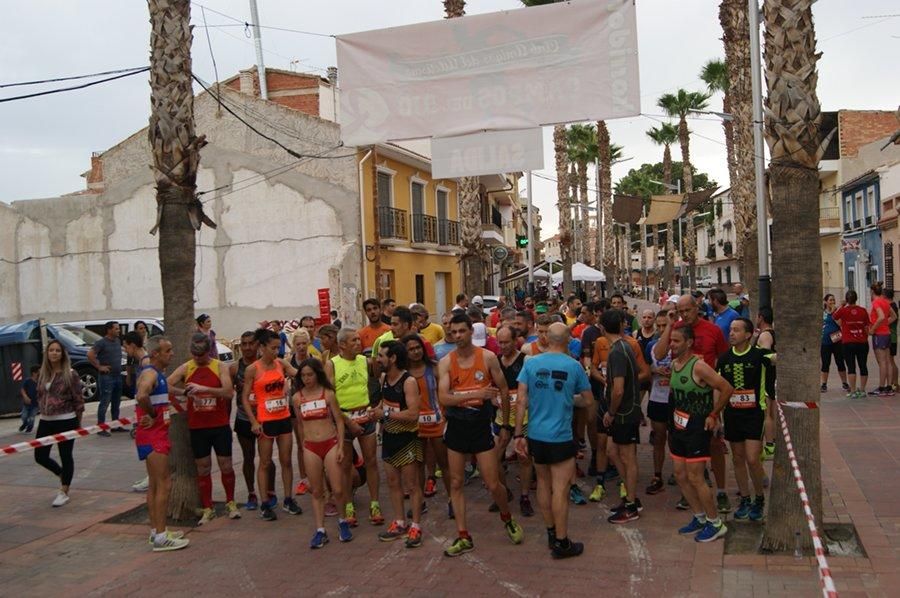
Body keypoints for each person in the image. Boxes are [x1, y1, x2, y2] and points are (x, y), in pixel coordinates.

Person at [438, 313, 524, 557]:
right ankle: (463, 535)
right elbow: (443, 398)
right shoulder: (446, 362)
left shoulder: (486, 358)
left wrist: (506, 426)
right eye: (453, 332)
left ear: (470, 332)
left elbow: (505, 390)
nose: (457, 336)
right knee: (455, 482)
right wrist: (473, 394)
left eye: (461, 331)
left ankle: (507, 518)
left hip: (480, 426)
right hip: (456, 426)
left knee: (492, 482)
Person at [515, 322, 593, 558]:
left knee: (543, 483)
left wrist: (519, 434)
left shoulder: (531, 363)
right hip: (560, 435)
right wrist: (569, 399)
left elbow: (520, 400)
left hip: (536, 434)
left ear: (547, 339)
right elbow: (588, 400)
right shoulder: (574, 366)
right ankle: (562, 542)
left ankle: (550, 531)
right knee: (560, 489)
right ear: (568, 340)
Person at [653, 295, 731, 513]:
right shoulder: (676, 329)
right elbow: (659, 355)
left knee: (715, 443)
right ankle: (692, 493)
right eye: (680, 310)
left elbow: (723, 359)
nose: (684, 314)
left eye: (688, 310)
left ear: (697, 308)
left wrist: (718, 403)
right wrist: (669, 325)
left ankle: (721, 491)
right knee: (683, 447)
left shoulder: (712, 330)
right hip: (681, 398)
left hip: (707, 394)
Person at [668, 325, 734, 543]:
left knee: (696, 476)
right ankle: (699, 516)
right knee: (679, 473)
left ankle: (716, 523)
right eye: (671, 340)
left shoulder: (699, 367)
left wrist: (714, 415)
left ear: (688, 343)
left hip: (697, 426)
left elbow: (726, 388)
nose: (672, 344)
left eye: (676, 341)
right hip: (678, 424)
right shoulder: (674, 364)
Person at [167, 333, 240, 524]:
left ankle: (230, 502)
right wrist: (183, 392)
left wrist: (203, 389)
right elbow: (165, 385)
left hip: (219, 425)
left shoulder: (219, 367)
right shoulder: (187, 367)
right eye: (194, 354)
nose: (197, 358)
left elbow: (228, 392)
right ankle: (208, 508)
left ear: (208, 351)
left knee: (225, 465)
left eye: (201, 354)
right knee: (203, 468)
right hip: (198, 426)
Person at [134, 336, 189, 551]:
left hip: (155, 435)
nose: (172, 354)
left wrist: (183, 391)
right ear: (156, 353)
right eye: (168, 351)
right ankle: (160, 537)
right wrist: (153, 414)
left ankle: (157, 530)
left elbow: (161, 391)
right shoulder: (150, 373)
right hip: (153, 437)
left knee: (155, 485)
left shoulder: (158, 374)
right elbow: (141, 395)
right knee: (164, 484)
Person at [240, 328, 302, 521]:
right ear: (262, 347)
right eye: (273, 348)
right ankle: (265, 502)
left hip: (283, 417)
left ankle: (288, 499)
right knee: (265, 462)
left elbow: (299, 374)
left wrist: (308, 372)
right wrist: (253, 422)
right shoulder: (253, 369)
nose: (277, 351)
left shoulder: (281, 363)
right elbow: (244, 398)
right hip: (265, 420)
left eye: (279, 348)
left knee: (286, 461)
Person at [718, 318, 775, 522]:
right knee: (737, 458)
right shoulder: (723, 359)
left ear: (749, 334)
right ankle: (745, 498)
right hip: (732, 415)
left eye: (736, 330)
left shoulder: (760, 355)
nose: (731, 333)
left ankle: (759, 498)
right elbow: (718, 387)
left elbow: (779, 359)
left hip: (754, 414)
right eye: (730, 330)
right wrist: (716, 414)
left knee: (753, 458)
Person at [325, 327, 383, 527]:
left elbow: (378, 373)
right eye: (353, 341)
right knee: (346, 465)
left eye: (359, 340)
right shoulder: (332, 364)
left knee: (371, 461)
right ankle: (349, 506)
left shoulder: (364, 361)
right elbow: (329, 398)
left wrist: (376, 355)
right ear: (342, 345)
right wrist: (347, 421)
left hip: (365, 415)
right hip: (344, 418)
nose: (358, 343)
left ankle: (375, 504)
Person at [291, 358, 352, 548]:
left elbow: (339, 421)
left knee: (338, 489)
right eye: (303, 375)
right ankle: (320, 530)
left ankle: (343, 521)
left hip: (331, 443)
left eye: (310, 374)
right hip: (311, 447)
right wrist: (302, 445)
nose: (307, 378)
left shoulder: (328, 394)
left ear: (318, 374)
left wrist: (341, 446)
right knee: (317, 491)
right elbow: (300, 425)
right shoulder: (296, 398)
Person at [375, 341, 425, 548]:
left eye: (381, 355)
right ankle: (399, 522)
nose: (378, 359)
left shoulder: (408, 381)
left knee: (412, 485)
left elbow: (413, 413)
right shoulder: (384, 378)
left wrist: (385, 414)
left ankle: (416, 525)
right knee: (393, 483)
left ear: (393, 358)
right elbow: (383, 403)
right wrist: (375, 412)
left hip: (407, 439)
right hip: (389, 437)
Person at [600, 310, 644, 523]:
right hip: (625, 411)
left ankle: (631, 504)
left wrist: (611, 412)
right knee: (612, 451)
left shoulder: (618, 350)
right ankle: (630, 496)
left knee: (627, 457)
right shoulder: (624, 347)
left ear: (602, 327)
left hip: (625, 412)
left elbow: (618, 389)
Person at [403, 334, 452, 517]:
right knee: (418, 465)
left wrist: (445, 416)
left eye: (418, 348)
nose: (415, 352)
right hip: (414, 425)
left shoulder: (434, 368)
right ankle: (419, 502)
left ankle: (452, 500)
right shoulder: (403, 373)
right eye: (411, 349)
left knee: (444, 463)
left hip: (437, 423)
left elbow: (445, 393)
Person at [33, 341, 84, 507]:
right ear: (47, 353)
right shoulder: (43, 373)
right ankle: (63, 474)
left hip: (66, 419)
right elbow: (40, 395)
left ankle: (64, 491)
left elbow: (78, 399)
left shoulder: (70, 374)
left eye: (57, 351)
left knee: (65, 454)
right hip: (46, 420)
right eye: (51, 350)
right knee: (40, 455)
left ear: (62, 354)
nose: (54, 353)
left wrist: (78, 422)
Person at [230, 331, 275, 510]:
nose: (247, 348)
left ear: (258, 345)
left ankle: (270, 491)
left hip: (266, 417)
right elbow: (229, 394)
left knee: (267, 459)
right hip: (243, 418)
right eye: (244, 344)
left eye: (250, 343)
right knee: (248, 457)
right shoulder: (235, 368)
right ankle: (251, 493)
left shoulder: (266, 365)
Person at [494, 326, 535, 517]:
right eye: (499, 342)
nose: (502, 346)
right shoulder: (494, 361)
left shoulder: (526, 360)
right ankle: (504, 492)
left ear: (515, 340)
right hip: (502, 416)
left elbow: (533, 389)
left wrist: (524, 402)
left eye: (506, 342)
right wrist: (494, 400)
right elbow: (490, 387)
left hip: (523, 416)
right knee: (494, 458)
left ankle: (525, 496)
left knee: (524, 458)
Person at [646, 312, 672, 495]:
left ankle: (682, 473)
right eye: (659, 326)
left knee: (677, 438)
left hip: (675, 398)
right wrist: (654, 370)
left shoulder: (679, 345)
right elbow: (645, 370)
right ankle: (657, 475)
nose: (662, 330)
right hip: (657, 397)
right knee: (658, 438)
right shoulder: (651, 345)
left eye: (666, 326)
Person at [833, 290, 870, 399]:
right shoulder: (863, 311)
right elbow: (866, 326)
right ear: (856, 298)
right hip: (862, 342)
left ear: (847, 299)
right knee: (863, 366)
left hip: (848, 342)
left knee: (851, 367)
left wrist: (841, 305)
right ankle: (862, 390)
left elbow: (834, 316)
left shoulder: (843, 311)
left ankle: (853, 391)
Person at [289, 330, 313, 496]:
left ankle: (317, 475)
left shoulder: (315, 361)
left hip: (312, 404)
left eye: (304, 343)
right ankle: (304, 478)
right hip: (295, 406)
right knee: (301, 443)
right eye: (298, 344)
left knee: (315, 440)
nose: (301, 347)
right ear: (293, 345)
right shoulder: (288, 362)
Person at [88, 321, 123, 436]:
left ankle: (115, 425)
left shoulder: (117, 341)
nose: (119, 331)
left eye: (118, 329)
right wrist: (99, 366)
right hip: (107, 377)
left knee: (116, 402)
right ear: (109, 330)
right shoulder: (101, 343)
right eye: (116, 329)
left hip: (117, 375)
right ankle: (101, 427)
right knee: (105, 402)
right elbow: (90, 354)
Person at [755, 307, 778, 460]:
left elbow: (767, 355)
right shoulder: (770, 333)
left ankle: (770, 446)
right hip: (770, 377)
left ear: (761, 318)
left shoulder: (765, 335)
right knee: (771, 412)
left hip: (765, 377)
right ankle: (772, 443)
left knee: (767, 413)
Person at [868, 282, 896, 396]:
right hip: (887, 333)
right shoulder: (885, 301)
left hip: (879, 335)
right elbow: (894, 316)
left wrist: (873, 329)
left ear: (872, 292)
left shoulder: (876, 302)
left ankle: (881, 387)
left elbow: (881, 317)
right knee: (888, 361)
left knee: (882, 362)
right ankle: (889, 387)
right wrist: (885, 324)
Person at [821, 293, 850, 393]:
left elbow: (840, 324)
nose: (832, 302)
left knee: (840, 362)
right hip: (825, 340)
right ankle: (824, 384)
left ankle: (844, 383)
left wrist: (834, 313)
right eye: (830, 300)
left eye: (833, 300)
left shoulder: (837, 312)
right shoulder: (822, 312)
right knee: (825, 363)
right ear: (825, 302)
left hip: (836, 338)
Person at [19, 365, 39, 433]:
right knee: (24, 416)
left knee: (31, 417)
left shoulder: (41, 381)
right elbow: (22, 389)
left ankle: (29, 429)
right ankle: (25, 424)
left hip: (36, 405)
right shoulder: (28, 381)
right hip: (27, 404)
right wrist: (25, 396)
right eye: (39, 371)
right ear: (34, 373)